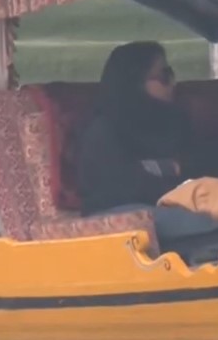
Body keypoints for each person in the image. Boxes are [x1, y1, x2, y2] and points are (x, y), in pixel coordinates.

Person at [76, 42, 203, 214]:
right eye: (164, 76)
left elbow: (201, 166)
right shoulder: (103, 131)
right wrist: (172, 169)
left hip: (179, 207)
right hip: (120, 213)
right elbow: (124, 186)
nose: (172, 83)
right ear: (134, 82)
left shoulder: (175, 121)